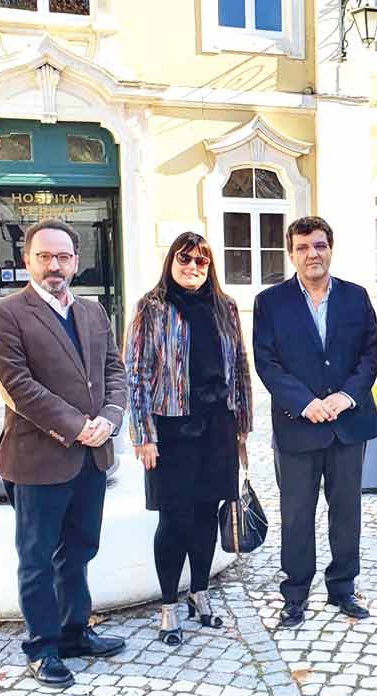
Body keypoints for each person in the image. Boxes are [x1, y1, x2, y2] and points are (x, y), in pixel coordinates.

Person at [0, 218, 127, 688]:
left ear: (76, 262)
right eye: (44, 256)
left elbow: (114, 371)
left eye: (63, 256)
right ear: (27, 261)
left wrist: (110, 417)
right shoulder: (2, 315)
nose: (55, 265)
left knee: (80, 549)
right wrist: (77, 426)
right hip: (38, 459)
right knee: (38, 557)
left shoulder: (93, 311)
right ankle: (42, 648)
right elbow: (18, 386)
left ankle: (74, 632)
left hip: (92, 456)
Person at [253, 216, 377, 628]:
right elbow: (266, 361)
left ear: (331, 248)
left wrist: (346, 396)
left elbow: (371, 352)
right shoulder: (270, 302)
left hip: (347, 423)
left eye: (320, 245)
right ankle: (295, 592)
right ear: (291, 253)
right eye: (304, 247)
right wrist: (305, 402)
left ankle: (343, 586)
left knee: (347, 510)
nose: (313, 254)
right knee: (296, 513)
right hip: (298, 423)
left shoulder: (356, 297)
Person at [124, 231, 252, 645]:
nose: (193, 267)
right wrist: (143, 435)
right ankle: (167, 605)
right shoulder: (152, 307)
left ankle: (200, 592)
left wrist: (243, 429)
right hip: (172, 429)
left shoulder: (225, 307)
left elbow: (240, 366)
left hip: (218, 426)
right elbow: (137, 373)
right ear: (171, 262)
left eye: (201, 261)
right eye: (185, 260)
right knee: (174, 519)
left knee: (205, 515)